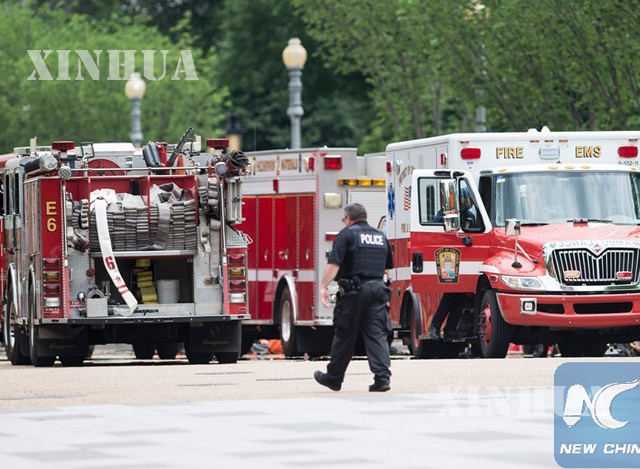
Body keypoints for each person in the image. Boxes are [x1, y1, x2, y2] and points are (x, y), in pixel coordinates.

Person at [314, 203, 394, 392]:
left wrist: (323, 286)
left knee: (344, 334)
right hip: (378, 289)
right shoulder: (380, 236)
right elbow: (388, 264)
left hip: (354, 291)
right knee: (377, 333)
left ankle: (333, 378)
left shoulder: (346, 235)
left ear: (348, 219)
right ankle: (382, 378)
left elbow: (334, 265)